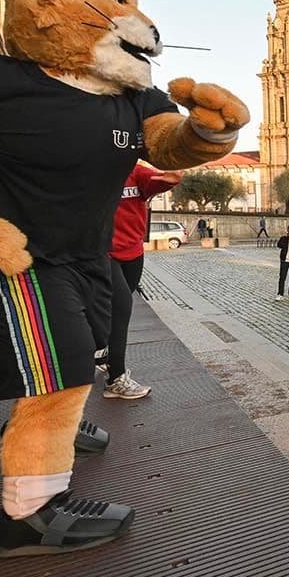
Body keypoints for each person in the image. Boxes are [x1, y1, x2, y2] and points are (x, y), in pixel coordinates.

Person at [96, 162, 180, 400]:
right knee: (122, 306)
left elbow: (172, 177)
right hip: (102, 252)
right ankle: (116, 379)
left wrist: (167, 159)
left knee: (114, 308)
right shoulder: (91, 169)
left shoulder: (136, 172)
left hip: (133, 251)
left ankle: (102, 353)